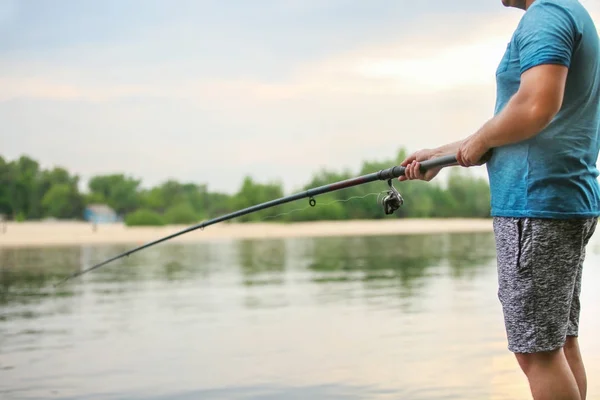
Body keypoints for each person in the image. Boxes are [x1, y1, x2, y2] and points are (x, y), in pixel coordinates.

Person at [399, 0, 599, 399]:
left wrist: (483, 140)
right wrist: (444, 154)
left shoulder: (546, 15)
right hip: (559, 202)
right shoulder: (568, 11)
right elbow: (515, 122)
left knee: (537, 352)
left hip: (535, 205)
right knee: (559, 342)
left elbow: (537, 105)